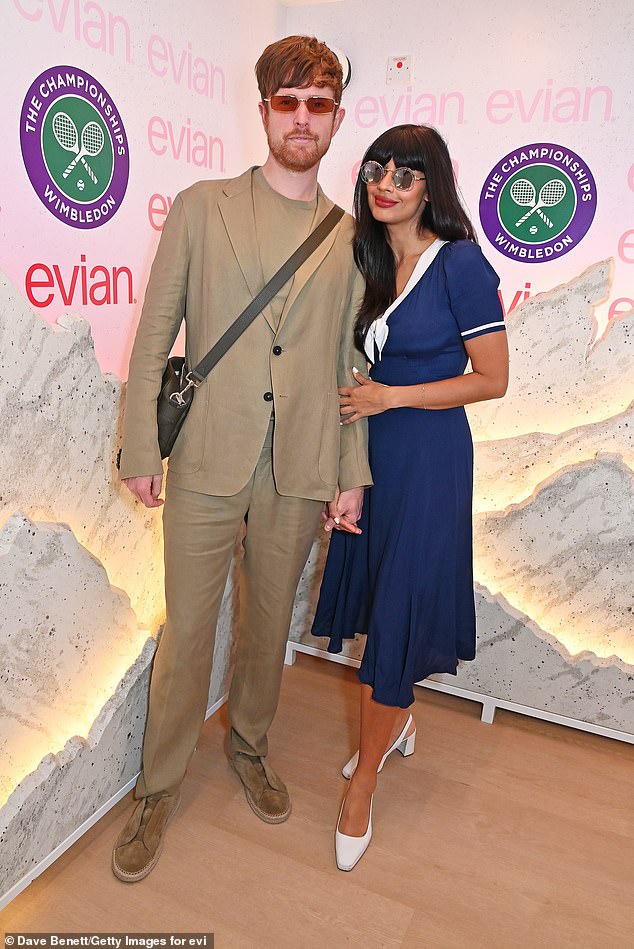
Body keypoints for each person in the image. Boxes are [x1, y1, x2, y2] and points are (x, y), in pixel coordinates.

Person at [112, 35, 371, 883]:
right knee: (188, 630)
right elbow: (157, 335)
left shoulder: (347, 236)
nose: (303, 118)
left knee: (268, 628)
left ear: (336, 117)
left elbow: (348, 366)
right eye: (287, 102)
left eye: (318, 104)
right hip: (205, 459)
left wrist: (350, 471)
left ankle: (251, 745)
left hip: (297, 465)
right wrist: (141, 445)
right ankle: (158, 785)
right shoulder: (201, 204)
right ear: (262, 110)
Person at [312, 124, 509, 871]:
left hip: (428, 455)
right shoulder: (363, 261)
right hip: (374, 453)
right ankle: (394, 724)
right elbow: (350, 386)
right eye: (377, 168)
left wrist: (393, 398)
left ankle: (364, 779)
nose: (386, 181)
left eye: (407, 172)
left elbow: (491, 378)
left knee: (397, 609)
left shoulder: (459, 262)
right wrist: (346, 472)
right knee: (378, 604)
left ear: (433, 186)